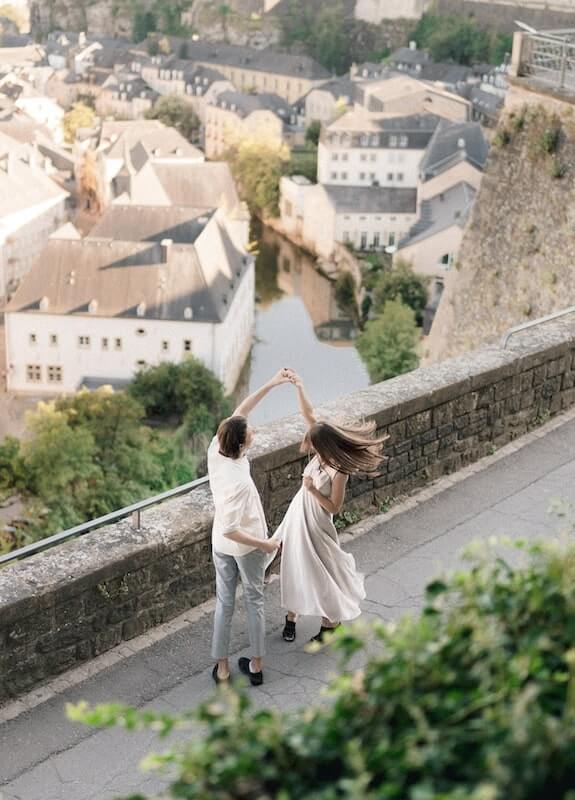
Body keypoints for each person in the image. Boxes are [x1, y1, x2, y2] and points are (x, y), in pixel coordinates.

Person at [275, 373, 388, 644]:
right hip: (297, 516)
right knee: (292, 565)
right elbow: (309, 413)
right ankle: (292, 616)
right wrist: (299, 386)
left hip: (317, 524)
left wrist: (313, 490)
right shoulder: (320, 447)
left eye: (314, 446)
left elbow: (334, 508)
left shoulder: (339, 470)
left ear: (324, 446)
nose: (310, 448)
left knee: (320, 573)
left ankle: (331, 623)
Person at [208, 371, 286, 686]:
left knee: (224, 602)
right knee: (254, 599)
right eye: (250, 431)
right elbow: (231, 529)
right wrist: (265, 545)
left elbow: (242, 410)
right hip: (246, 544)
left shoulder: (217, 449)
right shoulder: (238, 482)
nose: (253, 429)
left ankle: (223, 668)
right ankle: (255, 665)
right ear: (242, 443)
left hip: (221, 546)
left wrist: (272, 382)